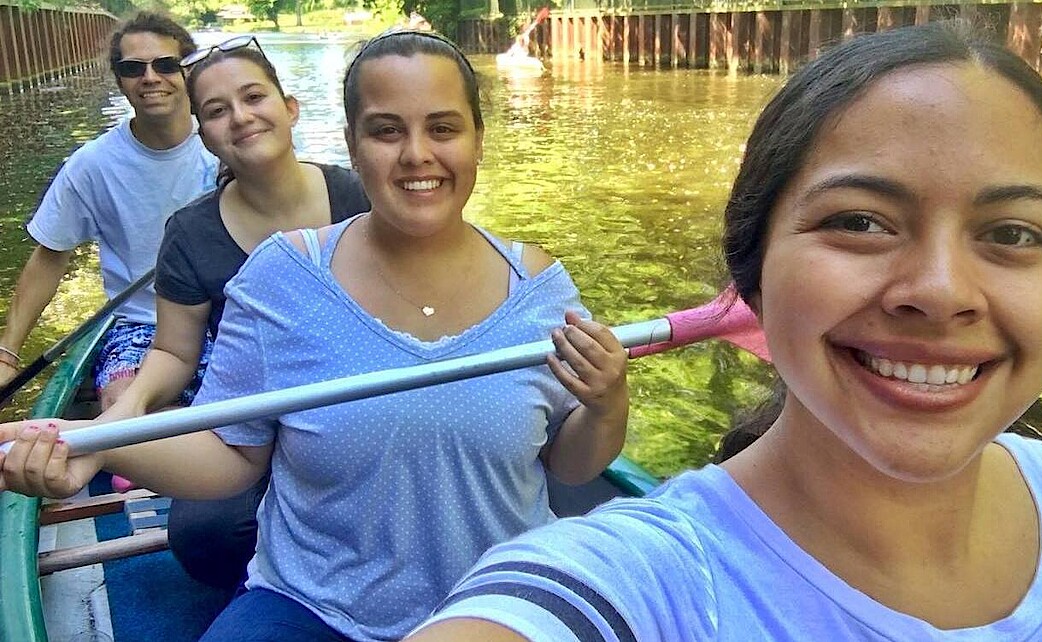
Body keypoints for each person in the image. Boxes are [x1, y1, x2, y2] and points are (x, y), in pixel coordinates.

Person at [407, 22, 1042, 641]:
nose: (942, 293)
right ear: (753, 267)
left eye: (1012, 233)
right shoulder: (639, 586)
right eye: (859, 222)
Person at [0, 29, 629, 642]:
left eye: (443, 128)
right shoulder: (279, 276)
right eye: (387, 130)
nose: (417, 154)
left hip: (500, 604)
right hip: (314, 605)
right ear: (352, 146)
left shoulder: (539, 287)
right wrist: (97, 441)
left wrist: (606, 402)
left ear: (477, 142)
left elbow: (572, 464)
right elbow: (229, 455)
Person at [97, 36, 371, 591]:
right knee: (204, 537)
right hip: (250, 420)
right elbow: (175, 351)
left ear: (289, 107)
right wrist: (118, 419)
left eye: (254, 98)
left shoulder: (360, 196)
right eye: (218, 111)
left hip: (357, 404)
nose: (241, 118)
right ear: (205, 135)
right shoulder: (193, 232)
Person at [0, 11, 218, 409]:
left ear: (190, 71)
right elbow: (51, 256)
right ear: (119, 80)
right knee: (124, 402)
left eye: (166, 65)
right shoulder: (92, 165)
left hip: (228, 318)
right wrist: (7, 354)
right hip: (139, 325)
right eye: (133, 68)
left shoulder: (227, 147)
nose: (150, 78)